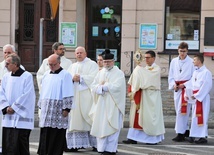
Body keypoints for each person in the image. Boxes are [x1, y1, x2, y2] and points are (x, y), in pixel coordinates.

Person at [123, 50, 165, 145]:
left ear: (153, 58)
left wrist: (138, 69)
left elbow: (148, 78)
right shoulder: (143, 69)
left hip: (151, 97)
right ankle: (132, 137)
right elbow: (137, 78)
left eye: (148, 57)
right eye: (145, 57)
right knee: (136, 116)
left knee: (149, 117)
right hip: (141, 95)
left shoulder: (156, 69)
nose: (146, 59)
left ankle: (151, 139)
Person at [89, 49, 126, 155]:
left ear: (113, 61)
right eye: (105, 62)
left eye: (109, 61)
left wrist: (105, 86)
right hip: (101, 104)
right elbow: (93, 86)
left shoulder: (119, 73)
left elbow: (118, 87)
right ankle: (101, 148)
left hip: (113, 104)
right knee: (101, 126)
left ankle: (111, 149)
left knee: (112, 126)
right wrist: (100, 88)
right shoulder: (100, 73)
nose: (106, 63)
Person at [37, 54, 74, 155]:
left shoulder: (65, 75)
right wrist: (41, 104)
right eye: (49, 65)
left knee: (56, 135)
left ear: (59, 63)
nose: (51, 67)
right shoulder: (46, 74)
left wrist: (66, 108)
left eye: (54, 64)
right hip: (46, 109)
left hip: (58, 109)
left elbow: (68, 91)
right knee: (45, 133)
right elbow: (43, 90)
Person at [0, 54, 35, 155]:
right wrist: (6, 107)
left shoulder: (27, 76)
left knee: (21, 144)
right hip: (8, 117)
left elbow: (27, 95)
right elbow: (1, 93)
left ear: (15, 64)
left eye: (7, 63)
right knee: (8, 143)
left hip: (21, 118)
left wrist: (14, 107)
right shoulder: (6, 77)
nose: (5, 65)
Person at [66, 46, 99, 152]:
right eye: (77, 53)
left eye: (81, 52)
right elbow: (66, 78)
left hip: (87, 97)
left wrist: (81, 78)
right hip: (75, 96)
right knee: (75, 120)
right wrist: (72, 78)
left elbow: (95, 78)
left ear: (85, 54)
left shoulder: (92, 64)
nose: (79, 54)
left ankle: (95, 144)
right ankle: (76, 144)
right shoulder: (72, 66)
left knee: (89, 119)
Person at [0, 44, 25, 154]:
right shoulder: (1, 66)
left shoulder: (21, 69)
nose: (6, 54)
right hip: (2, 102)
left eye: (9, 52)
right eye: (5, 52)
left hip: (13, 103)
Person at [168, 42, 195, 142]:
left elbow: (194, 77)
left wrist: (186, 85)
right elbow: (170, 76)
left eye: (184, 51)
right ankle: (186, 130)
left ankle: (180, 133)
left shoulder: (191, 62)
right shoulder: (174, 61)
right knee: (178, 110)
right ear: (178, 51)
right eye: (180, 51)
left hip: (186, 89)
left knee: (182, 111)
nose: (182, 53)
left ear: (187, 51)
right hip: (177, 88)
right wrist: (173, 85)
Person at [184, 53, 212, 144]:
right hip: (196, 98)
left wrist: (197, 95)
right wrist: (187, 92)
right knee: (195, 117)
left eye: (194, 60)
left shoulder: (206, 72)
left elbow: (206, 86)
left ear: (199, 61)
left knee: (202, 117)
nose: (193, 61)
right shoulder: (196, 72)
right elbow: (191, 83)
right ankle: (193, 135)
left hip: (202, 98)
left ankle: (202, 137)